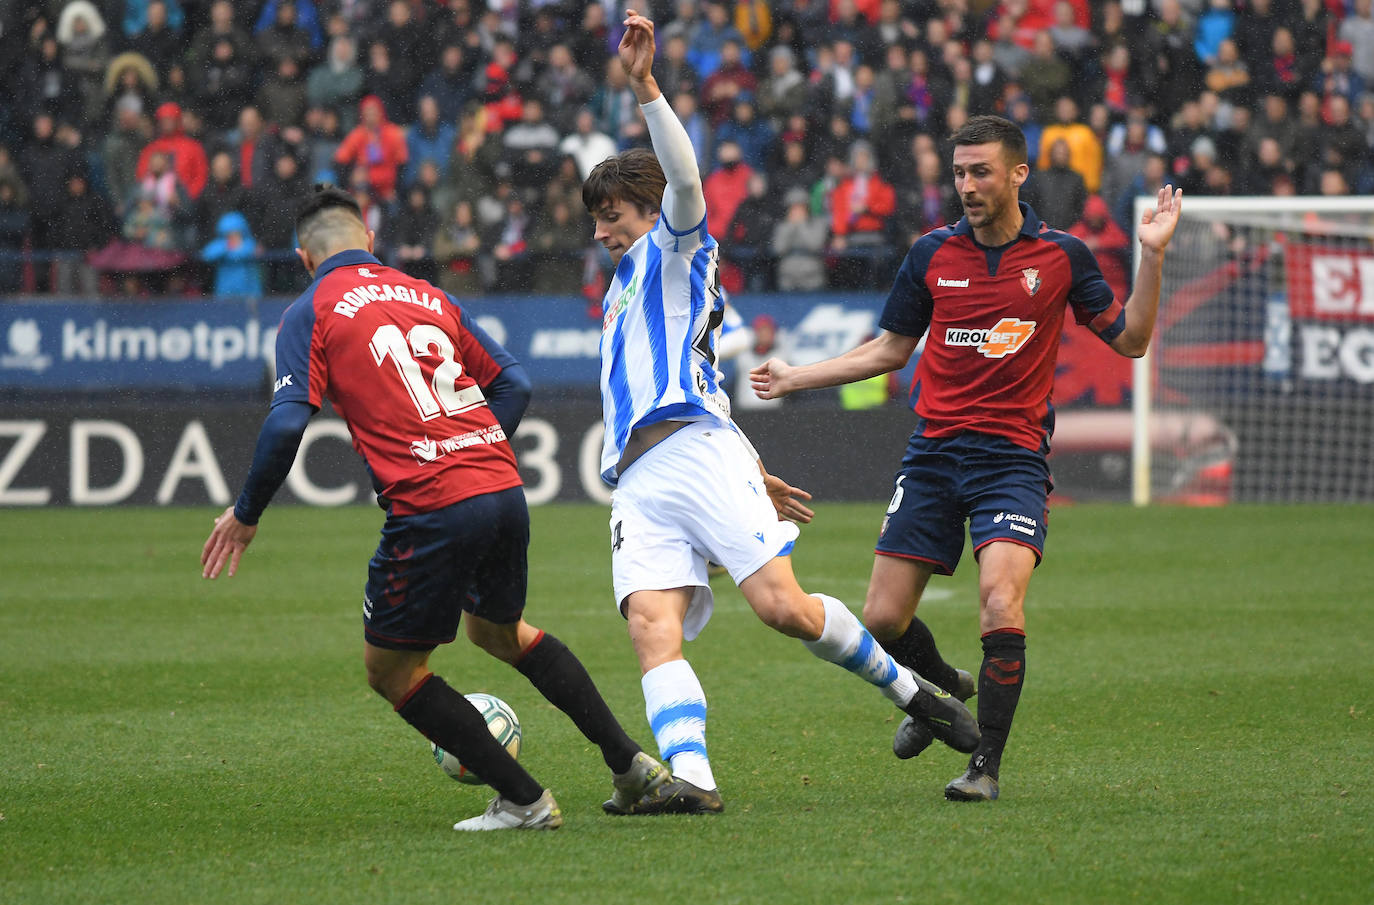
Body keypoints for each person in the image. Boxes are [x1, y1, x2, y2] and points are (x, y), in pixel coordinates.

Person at [580, 10, 979, 816]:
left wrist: (647, 88)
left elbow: (685, 182)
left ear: (648, 209)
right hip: (639, 478)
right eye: (596, 220)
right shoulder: (622, 287)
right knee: (651, 625)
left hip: (696, 452)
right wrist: (752, 462)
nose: (602, 231)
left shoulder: (674, 247)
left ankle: (914, 693)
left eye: (612, 215)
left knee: (781, 608)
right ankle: (693, 778)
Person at [200, 184, 681, 831]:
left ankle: (525, 801)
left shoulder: (310, 309)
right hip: (502, 487)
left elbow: (287, 422)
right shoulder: (427, 293)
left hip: (434, 504)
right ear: (370, 240)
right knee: (500, 632)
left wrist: (245, 512)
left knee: (391, 670)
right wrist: (470, 447)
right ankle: (632, 768)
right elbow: (514, 383)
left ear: (304, 258)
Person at [750, 115, 1183, 802]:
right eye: (958, 173)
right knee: (881, 621)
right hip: (932, 455)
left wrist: (1152, 256)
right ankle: (942, 685)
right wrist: (795, 377)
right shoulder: (931, 254)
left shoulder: (1062, 257)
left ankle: (984, 765)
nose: (967, 185)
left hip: (1010, 459)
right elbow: (891, 349)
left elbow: (1130, 340)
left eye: (981, 172)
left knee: (1000, 602)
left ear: (1018, 174)